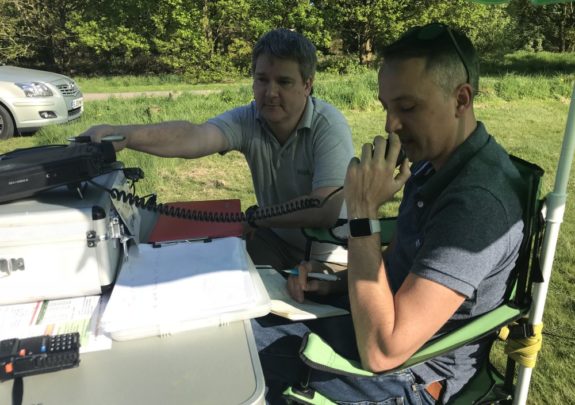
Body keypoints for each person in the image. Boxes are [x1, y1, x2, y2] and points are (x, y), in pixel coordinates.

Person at [252, 22, 526, 404]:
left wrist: (363, 211)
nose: (390, 125)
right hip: (373, 331)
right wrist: (335, 286)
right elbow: (400, 266)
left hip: (411, 378)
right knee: (238, 323)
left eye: (408, 107)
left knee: (238, 355)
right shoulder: (433, 166)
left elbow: (384, 351)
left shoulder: (476, 202)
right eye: (387, 107)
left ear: (462, 99)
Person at [81, 28, 354, 270]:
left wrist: (257, 218)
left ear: (307, 85)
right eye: (262, 79)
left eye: (284, 82)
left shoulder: (328, 125)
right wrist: (126, 136)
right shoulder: (248, 118)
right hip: (276, 238)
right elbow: (195, 136)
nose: (270, 92)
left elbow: (324, 208)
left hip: (333, 250)